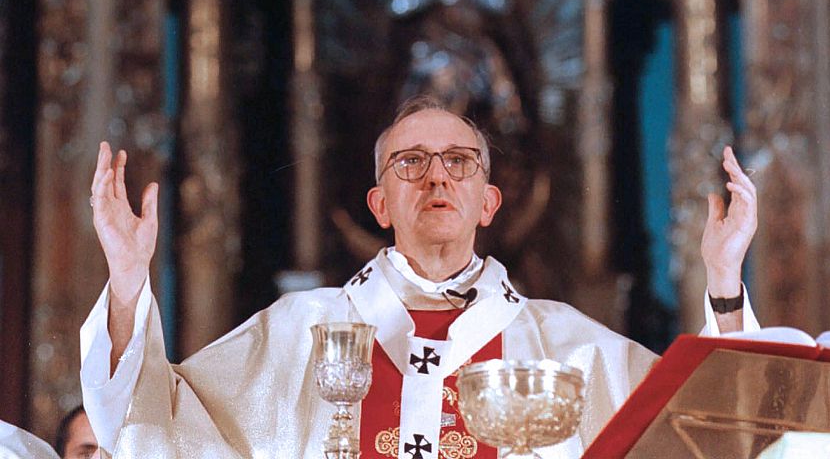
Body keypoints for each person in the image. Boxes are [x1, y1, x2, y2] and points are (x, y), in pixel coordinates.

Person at [81, 97, 758, 458]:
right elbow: (149, 419)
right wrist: (126, 281)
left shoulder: (566, 347)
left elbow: (708, 432)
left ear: (489, 202)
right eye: (410, 162)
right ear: (379, 205)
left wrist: (724, 282)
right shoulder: (299, 332)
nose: (437, 176)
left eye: (461, 162)